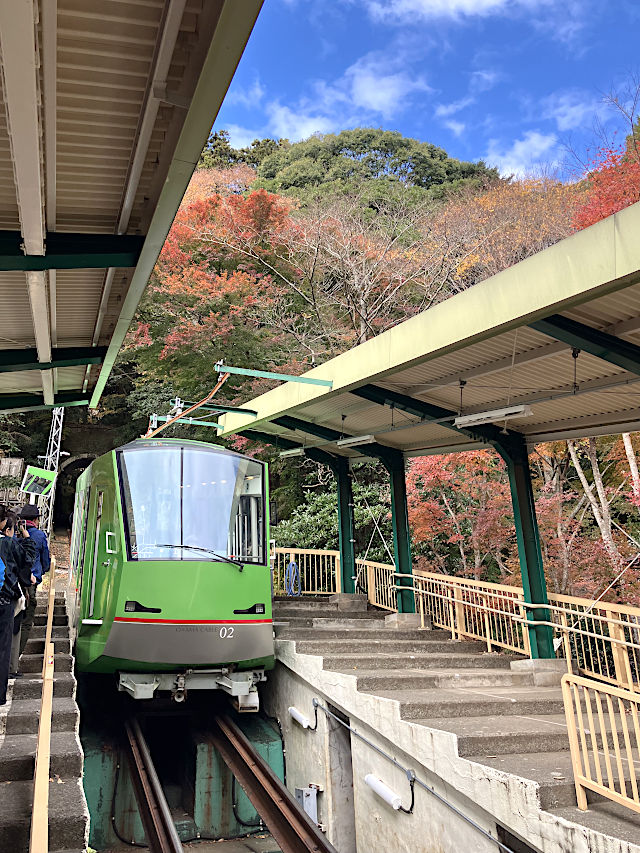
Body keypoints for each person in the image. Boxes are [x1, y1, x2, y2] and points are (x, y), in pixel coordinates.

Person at [0, 512, 35, 704]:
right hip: (4, 600)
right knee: (2, 648)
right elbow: (27, 560)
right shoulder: (8, 543)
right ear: (8, 529)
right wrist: (27, 538)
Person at [18, 504, 50, 655]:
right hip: (30, 582)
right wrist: (41, 572)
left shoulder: (14, 534)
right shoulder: (39, 535)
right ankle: (14, 660)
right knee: (25, 622)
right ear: (36, 520)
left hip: (12, 581)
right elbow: (45, 560)